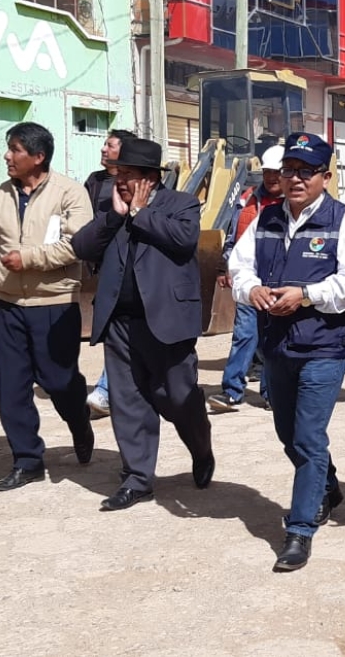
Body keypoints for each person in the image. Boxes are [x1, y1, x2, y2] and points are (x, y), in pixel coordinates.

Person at [228, 133, 345, 572]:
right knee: (288, 435)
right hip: (276, 347)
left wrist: (305, 294)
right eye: (289, 170)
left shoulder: (342, 221)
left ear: (326, 177)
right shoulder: (266, 218)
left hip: (323, 348)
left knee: (308, 437)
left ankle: (300, 529)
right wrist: (250, 289)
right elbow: (239, 263)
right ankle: (328, 484)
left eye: (306, 172)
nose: (295, 179)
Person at [71, 138, 215, 511]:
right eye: (116, 172)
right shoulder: (111, 206)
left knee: (177, 397)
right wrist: (116, 216)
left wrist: (140, 213)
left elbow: (184, 241)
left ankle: (201, 448)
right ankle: (137, 479)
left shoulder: (181, 204)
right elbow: (83, 247)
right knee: (127, 401)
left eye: (128, 174)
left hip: (167, 322)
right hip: (120, 322)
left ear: (151, 178)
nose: (118, 179)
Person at [0, 122, 95, 493]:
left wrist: (27, 258)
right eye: (9, 149)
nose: (7, 157)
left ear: (38, 156)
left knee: (58, 381)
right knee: (11, 388)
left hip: (54, 304)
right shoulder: (0, 196)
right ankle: (27, 460)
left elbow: (78, 245)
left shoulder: (70, 194)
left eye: (15, 150)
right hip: (8, 304)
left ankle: (79, 420)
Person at [208, 145, 285, 413]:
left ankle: (271, 393)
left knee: (272, 339)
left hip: (279, 281)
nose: (271, 178)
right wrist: (223, 267)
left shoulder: (294, 203)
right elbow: (232, 235)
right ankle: (231, 391)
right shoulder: (247, 199)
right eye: (267, 173)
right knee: (243, 335)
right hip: (249, 279)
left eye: (276, 173)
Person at [83, 128, 137, 419]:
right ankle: (114, 387)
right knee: (112, 326)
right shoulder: (94, 181)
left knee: (119, 325)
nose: (104, 148)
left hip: (129, 264)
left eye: (110, 145)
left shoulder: (136, 182)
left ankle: (105, 390)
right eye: (104, 143)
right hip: (103, 264)